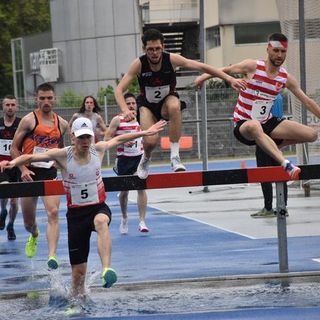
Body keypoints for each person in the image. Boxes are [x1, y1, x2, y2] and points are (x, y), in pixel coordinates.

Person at [0, 117, 166, 296]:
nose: (85, 142)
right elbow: (32, 156)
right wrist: (13, 163)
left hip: (97, 207)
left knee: (102, 222)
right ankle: (75, 301)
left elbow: (119, 139)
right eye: (81, 138)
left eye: (88, 137)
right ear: (73, 137)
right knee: (78, 274)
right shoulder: (63, 155)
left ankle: (106, 269)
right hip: (76, 216)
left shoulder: (98, 150)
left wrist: (145, 132)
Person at [115, 28, 246, 179]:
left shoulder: (172, 59)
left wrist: (229, 79)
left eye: (158, 49)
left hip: (166, 101)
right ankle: (146, 158)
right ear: (144, 49)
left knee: (174, 105)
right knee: (150, 141)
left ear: (163, 47)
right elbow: (119, 90)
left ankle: (175, 156)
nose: (155, 53)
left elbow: (202, 67)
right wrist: (125, 110)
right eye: (150, 50)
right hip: (147, 105)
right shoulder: (138, 64)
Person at [195, 32, 320, 179]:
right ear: (268, 49)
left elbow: (307, 101)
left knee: (312, 134)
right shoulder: (252, 66)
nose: (279, 55)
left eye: (283, 51)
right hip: (244, 125)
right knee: (255, 125)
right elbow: (226, 70)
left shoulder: (285, 78)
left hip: (267, 122)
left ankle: (272, 145)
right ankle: (285, 164)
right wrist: (204, 76)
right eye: (276, 51)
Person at [10, 82, 69, 269]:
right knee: (28, 221)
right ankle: (34, 235)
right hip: (29, 173)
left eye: (49, 98)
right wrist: (23, 170)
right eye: (42, 98)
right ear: (36, 99)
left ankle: (51, 256)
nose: (46, 101)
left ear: (54, 99)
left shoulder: (63, 124)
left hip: (50, 174)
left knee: (53, 212)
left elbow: (60, 149)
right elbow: (13, 148)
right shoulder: (29, 120)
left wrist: (63, 167)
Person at [105, 93, 149, 234]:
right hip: (124, 159)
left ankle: (142, 221)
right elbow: (107, 139)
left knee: (141, 187)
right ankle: (124, 217)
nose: (131, 106)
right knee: (124, 192)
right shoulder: (117, 120)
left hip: (139, 158)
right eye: (128, 103)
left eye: (133, 103)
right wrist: (123, 140)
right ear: (123, 105)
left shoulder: (142, 119)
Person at [251, 94, 288, 218]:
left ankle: (268, 208)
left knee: (264, 173)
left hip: (265, 136)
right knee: (280, 171)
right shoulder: (278, 96)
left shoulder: (263, 96)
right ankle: (283, 206)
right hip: (277, 134)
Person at [0, 95, 21, 240]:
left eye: (13, 105)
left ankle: (11, 225)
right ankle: (2, 212)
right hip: (1, 167)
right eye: (7, 105)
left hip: (17, 166)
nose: (10, 107)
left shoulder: (22, 124)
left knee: (14, 202)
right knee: (4, 191)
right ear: (3, 107)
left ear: (17, 107)